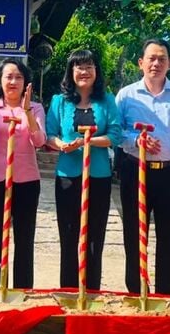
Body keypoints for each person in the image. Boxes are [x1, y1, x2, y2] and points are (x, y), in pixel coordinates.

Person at [115, 39, 170, 294]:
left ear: (169, 63)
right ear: (141, 63)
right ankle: (136, 288)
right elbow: (116, 130)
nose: (156, 63)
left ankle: (168, 291)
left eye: (162, 58)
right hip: (135, 170)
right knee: (133, 231)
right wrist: (135, 140)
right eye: (151, 58)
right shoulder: (126, 95)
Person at [46, 49, 122, 290]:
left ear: (96, 72)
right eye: (79, 67)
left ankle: (91, 289)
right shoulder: (60, 102)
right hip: (68, 176)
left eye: (89, 66)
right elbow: (50, 135)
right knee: (68, 234)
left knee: (94, 234)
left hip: (98, 175)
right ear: (71, 72)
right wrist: (63, 145)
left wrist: (88, 142)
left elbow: (115, 135)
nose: (84, 72)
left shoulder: (107, 100)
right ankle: (68, 289)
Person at [0, 59, 46, 289]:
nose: (13, 82)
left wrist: (27, 111)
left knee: (24, 239)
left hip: (26, 181)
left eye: (18, 77)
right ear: (0, 80)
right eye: (8, 77)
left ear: (25, 81)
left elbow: (39, 141)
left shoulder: (35, 108)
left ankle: (23, 288)